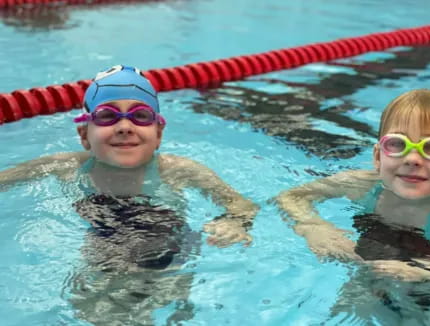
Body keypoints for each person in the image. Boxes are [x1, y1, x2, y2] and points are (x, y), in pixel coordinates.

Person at [0, 65, 258, 324]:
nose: (125, 126)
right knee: (90, 308)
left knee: (170, 310)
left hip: (169, 254)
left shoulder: (180, 171)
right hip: (104, 249)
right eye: (106, 116)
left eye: (141, 116)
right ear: (84, 135)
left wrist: (233, 222)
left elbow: (242, 205)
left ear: (158, 134)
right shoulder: (64, 166)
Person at [276, 89, 430, 322]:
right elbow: (291, 197)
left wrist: (429, 271)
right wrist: (315, 227)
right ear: (378, 156)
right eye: (397, 144)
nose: (412, 159)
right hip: (371, 281)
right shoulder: (360, 186)